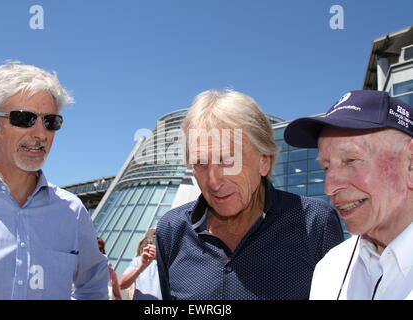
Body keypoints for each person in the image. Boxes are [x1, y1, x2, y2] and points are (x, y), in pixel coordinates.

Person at [155, 89, 344, 300]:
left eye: (228, 161)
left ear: (264, 161)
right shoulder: (172, 231)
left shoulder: (315, 224)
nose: (214, 181)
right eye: (200, 163)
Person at [0, 62, 108, 299]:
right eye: (24, 118)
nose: (41, 134)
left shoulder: (73, 213)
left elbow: (94, 283)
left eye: (50, 122)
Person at [284, 90, 413, 300]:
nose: (329, 187)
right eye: (326, 167)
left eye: (351, 160)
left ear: (410, 163)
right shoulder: (330, 268)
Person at [119, 228, 162, 300]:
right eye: (155, 236)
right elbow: (122, 285)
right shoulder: (138, 261)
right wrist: (141, 267)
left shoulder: (173, 262)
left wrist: (161, 259)